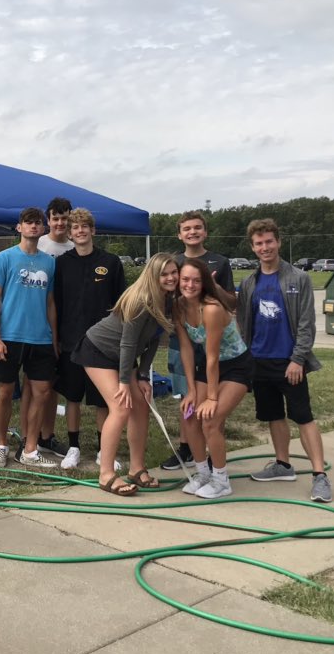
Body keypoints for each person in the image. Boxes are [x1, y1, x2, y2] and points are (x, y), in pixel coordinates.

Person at [237, 219, 332, 503]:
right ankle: (283, 465)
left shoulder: (298, 278)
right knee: (273, 415)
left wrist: (298, 359)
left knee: (303, 416)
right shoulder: (249, 282)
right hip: (260, 361)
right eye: (258, 243)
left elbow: (306, 324)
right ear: (252, 248)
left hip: (289, 362)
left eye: (269, 242)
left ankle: (319, 476)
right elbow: (243, 322)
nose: (264, 247)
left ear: (278, 242)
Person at [73, 253, 179, 496]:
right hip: (98, 350)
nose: (171, 277)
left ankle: (136, 468)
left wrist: (142, 376)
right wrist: (123, 382)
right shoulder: (140, 300)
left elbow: (153, 340)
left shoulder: (168, 301)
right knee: (120, 407)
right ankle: (107, 474)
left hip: (123, 357)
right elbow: (128, 344)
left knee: (141, 405)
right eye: (164, 273)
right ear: (153, 275)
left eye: (174, 272)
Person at [51, 208, 126, 470]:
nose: (80, 231)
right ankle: (73, 448)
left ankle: (103, 449)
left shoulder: (112, 261)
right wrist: (57, 339)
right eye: (75, 227)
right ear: (69, 234)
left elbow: (121, 306)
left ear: (93, 230)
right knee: (72, 397)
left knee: (101, 401)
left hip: (102, 346)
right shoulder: (62, 263)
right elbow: (56, 304)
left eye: (85, 226)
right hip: (71, 342)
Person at [162, 210, 236, 471]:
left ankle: (213, 445)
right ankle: (187, 448)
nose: (192, 232)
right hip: (183, 337)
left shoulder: (220, 262)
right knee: (187, 394)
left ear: (205, 232)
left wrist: (212, 287)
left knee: (211, 400)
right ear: (179, 234)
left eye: (197, 228)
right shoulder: (173, 262)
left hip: (212, 339)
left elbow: (232, 303)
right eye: (187, 229)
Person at [173, 258, 252, 498]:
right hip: (206, 366)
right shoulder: (178, 307)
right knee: (188, 415)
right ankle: (202, 473)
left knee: (210, 419)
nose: (190, 285)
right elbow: (186, 349)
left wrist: (212, 398)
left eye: (196, 280)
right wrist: (191, 391)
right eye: (185, 279)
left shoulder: (212, 309)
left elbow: (212, 357)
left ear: (205, 282)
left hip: (235, 366)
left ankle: (221, 479)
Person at [0, 207, 59, 468]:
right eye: (28, 222)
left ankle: (30, 449)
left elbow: (50, 302)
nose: (33, 226)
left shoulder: (49, 262)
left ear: (43, 229)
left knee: (41, 391)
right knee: (5, 392)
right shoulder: (4, 258)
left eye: (38, 223)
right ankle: (2, 446)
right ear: (19, 227)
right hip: (9, 337)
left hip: (40, 339)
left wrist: (54, 337)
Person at [19, 197, 75, 459]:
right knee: (31, 385)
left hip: (63, 324)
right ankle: (25, 436)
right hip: (34, 324)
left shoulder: (76, 247)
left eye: (65, 218)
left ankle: (47, 437)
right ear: (48, 221)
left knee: (50, 385)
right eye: (55, 218)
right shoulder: (38, 244)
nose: (60, 223)